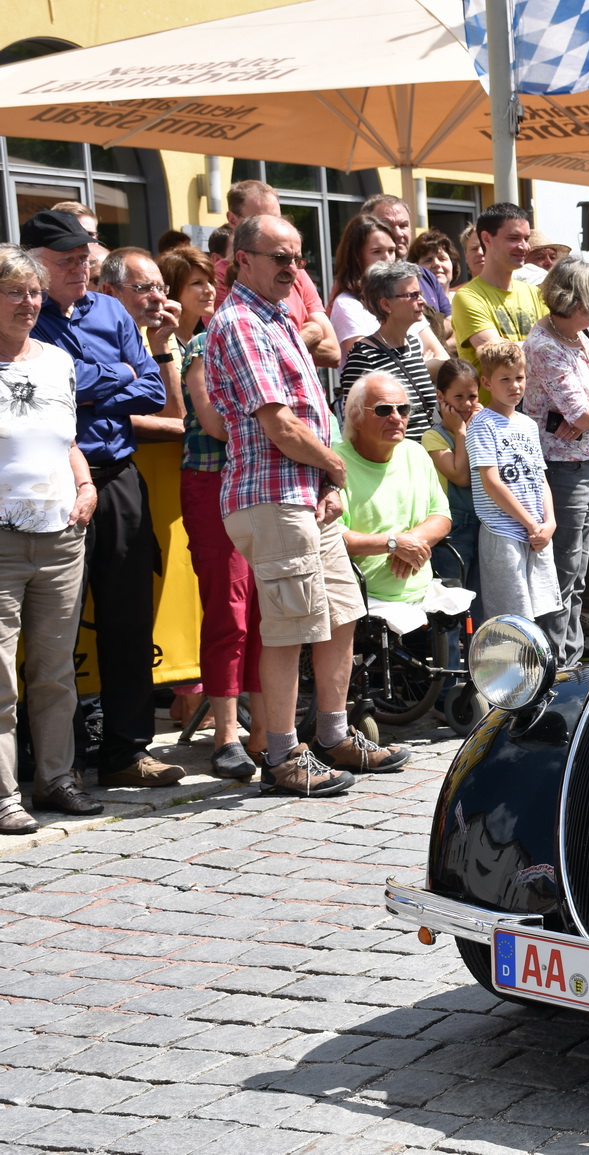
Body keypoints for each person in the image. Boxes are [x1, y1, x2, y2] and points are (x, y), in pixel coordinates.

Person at [205, 213, 411, 795]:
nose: (293, 269)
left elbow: (306, 418)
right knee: (289, 627)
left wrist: (325, 480)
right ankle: (279, 756)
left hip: (304, 494)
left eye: (297, 258)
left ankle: (332, 736)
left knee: (340, 613)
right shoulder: (241, 321)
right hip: (271, 496)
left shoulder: (276, 317)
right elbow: (278, 423)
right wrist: (332, 464)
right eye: (279, 258)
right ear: (242, 261)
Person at [23, 211, 180, 788]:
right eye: (66, 260)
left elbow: (152, 389)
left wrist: (90, 382)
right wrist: (107, 376)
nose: (80, 268)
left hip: (116, 475)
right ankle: (50, 759)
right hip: (51, 479)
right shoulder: (23, 313)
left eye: (84, 257)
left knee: (129, 618)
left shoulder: (109, 309)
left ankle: (125, 750)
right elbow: (45, 390)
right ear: (34, 259)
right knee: (52, 628)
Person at [0, 245, 101, 832]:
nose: (28, 302)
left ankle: (57, 780)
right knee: (0, 677)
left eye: (33, 292)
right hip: (2, 541)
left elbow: (65, 440)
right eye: (13, 291)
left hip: (63, 535)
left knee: (55, 672)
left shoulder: (57, 360)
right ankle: (4, 795)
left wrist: (85, 487)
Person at [162, 245, 264, 779]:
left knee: (266, 606)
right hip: (210, 478)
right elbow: (217, 424)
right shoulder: (201, 344)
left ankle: (268, 732)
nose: (207, 290)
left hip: (257, 479)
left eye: (211, 281)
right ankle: (226, 733)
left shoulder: (257, 337)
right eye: (194, 283)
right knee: (227, 607)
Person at [521, 258, 589, 665]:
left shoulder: (586, 334)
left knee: (577, 574)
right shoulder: (544, 345)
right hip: (559, 469)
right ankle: (556, 666)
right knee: (561, 572)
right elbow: (580, 415)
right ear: (571, 301)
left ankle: (571, 659)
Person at [337, 373, 452, 604]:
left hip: (424, 597)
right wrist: (393, 544)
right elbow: (335, 536)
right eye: (383, 410)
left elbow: (441, 515)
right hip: (363, 603)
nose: (396, 417)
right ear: (356, 417)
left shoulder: (415, 452)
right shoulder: (335, 464)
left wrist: (410, 541)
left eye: (403, 409)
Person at [467, 342, 558, 625]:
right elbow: (491, 483)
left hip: (537, 534)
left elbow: (539, 476)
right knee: (510, 617)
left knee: (539, 611)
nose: (514, 385)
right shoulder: (482, 424)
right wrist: (531, 524)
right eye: (504, 379)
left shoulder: (529, 425)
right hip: (503, 531)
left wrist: (550, 522)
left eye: (519, 377)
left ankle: (536, 669)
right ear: (487, 383)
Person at [213, 180, 339, 368]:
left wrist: (276, 346)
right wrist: (312, 333)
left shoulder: (295, 269)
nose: (271, 226)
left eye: (277, 219)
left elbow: (333, 353)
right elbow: (244, 354)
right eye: (258, 219)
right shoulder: (218, 279)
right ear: (232, 220)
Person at [339, 260, 444, 438]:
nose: (422, 301)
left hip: (426, 458)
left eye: (420, 293)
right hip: (393, 461)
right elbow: (356, 420)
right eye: (412, 295)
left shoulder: (413, 344)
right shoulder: (364, 355)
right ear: (386, 305)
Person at [95, 247, 188, 443]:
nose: (158, 297)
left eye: (161, 288)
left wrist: (159, 344)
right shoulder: (92, 342)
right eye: (144, 288)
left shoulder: (161, 335)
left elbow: (175, 413)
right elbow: (98, 415)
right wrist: (180, 427)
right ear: (109, 291)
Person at [451, 203, 547, 383]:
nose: (524, 246)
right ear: (487, 239)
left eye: (526, 239)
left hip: (537, 408)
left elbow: (562, 340)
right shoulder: (468, 297)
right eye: (513, 238)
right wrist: (548, 346)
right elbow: (500, 356)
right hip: (493, 410)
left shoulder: (534, 293)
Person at [422, 359, 482, 614]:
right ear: (441, 397)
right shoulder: (433, 436)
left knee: (479, 600)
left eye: (472, 396)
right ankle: (449, 654)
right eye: (458, 396)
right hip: (453, 528)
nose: (467, 404)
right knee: (451, 601)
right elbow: (461, 476)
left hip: (482, 523)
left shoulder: (480, 427)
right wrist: (460, 432)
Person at [363, 194, 452, 349]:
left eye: (403, 225)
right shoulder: (361, 287)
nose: (398, 233)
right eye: (387, 225)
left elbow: (453, 324)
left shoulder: (425, 276)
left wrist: (438, 351)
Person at [328, 213, 400, 358]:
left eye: (391, 251)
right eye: (377, 251)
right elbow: (370, 363)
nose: (387, 258)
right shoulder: (347, 305)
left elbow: (440, 355)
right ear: (356, 257)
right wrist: (418, 361)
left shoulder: (404, 298)